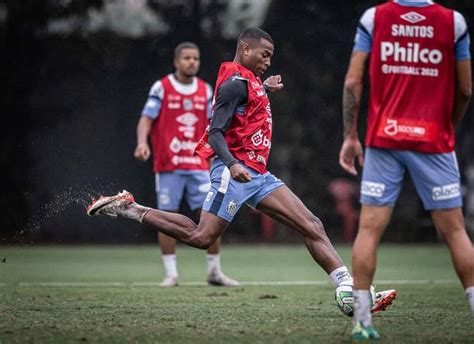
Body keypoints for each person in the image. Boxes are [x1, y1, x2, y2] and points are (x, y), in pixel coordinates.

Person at [87, 27, 396, 313]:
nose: (268, 61)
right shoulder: (233, 85)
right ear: (245, 48)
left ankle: (351, 289)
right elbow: (215, 132)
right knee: (201, 236)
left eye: (270, 57)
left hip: (258, 175)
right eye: (264, 55)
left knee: (311, 225)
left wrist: (264, 86)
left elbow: (244, 103)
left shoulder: (247, 81)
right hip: (233, 170)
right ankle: (129, 208)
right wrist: (232, 164)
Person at [339, 0, 474, 340]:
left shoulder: (374, 17)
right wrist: (447, 128)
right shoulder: (453, 22)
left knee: (368, 229)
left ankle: (363, 322)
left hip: (385, 139)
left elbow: (353, 83)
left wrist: (350, 136)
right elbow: (466, 89)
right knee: (456, 232)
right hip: (434, 140)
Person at [133, 42, 238, 287]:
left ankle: (214, 272)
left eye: (196, 58)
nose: (192, 62)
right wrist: (142, 143)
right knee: (167, 216)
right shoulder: (162, 87)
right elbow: (146, 119)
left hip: (199, 165)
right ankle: (171, 274)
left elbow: (216, 126)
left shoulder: (205, 90)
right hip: (169, 165)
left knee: (210, 216)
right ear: (176, 61)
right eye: (187, 58)